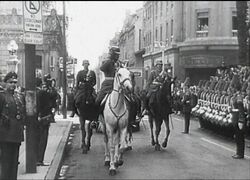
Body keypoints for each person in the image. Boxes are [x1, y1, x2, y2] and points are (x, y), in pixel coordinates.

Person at [0, 72, 25, 180]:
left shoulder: (18, 96)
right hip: (5, 134)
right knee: (6, 162)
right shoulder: (1, 96)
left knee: (14, 162)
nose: (13, 85)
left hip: (16, 133)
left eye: (15, 82)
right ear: (5, 83)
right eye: (10, 82)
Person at [36, 73, 57, 166]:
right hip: (43, 119)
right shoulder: (44, 92)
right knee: (43, 139)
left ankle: (35, 159)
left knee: (36, 139)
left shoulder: (30, 92)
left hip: (34, 120)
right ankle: (39, 160)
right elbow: (52, 99)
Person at [95, 46, 120, 115]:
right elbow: (102, 68)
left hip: (119, 84)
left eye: (118, 55)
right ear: (112, 55)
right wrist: (109, 61)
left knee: (132, 99)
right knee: (98, 101)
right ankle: (96, 118)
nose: (117, 56)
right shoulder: (108, 62)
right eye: (116, 55)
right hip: (108, 84)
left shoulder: (119, 64)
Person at [230, 75, 247, 159]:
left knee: (240, 137)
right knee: (237, 137)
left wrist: (241, 120)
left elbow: (241, 110)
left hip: (238, 119)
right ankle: (238, 152)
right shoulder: (235, 96)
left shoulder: (239, 97)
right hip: (235, 117)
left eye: (233, 87)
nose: (232, 89)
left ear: (235, 88)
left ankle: (240, 153)